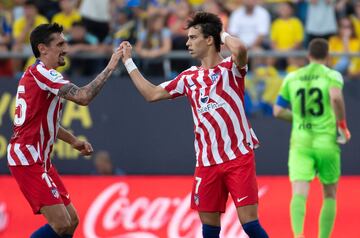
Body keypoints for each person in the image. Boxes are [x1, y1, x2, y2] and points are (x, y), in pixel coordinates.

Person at [119, 11, 268, 238]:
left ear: (209, 39)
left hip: (237, 157)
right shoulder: (189, 77)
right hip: (206, 162)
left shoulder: (231, 69)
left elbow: (241, 50)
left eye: (193, 37)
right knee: (209, 230)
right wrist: (128, 62)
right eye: (188, 38)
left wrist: (220, 32)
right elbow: (151, 94)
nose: (187, 42)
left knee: (250, 225)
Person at [7, 23, 122, 238]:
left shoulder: (39, 74)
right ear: (43, 49)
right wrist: (111, 65)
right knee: (60, 225)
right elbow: (83, 97)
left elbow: (46, 122)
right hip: (27, 159)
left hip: (40, 159)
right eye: (60, 44)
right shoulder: (43, 74)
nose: (65, 48)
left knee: (71, 222)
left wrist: (73, 141)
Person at [273, 38, 351, 238]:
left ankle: (299, 235)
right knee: (330, 194)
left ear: (308, 56)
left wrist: (297, 118)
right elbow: (335, 97)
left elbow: (278, 111)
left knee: (299, 192)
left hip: (301, 143)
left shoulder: (292, 77)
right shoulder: (332, 75)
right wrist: (341, 126)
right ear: (328, 56)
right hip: (326, 141)